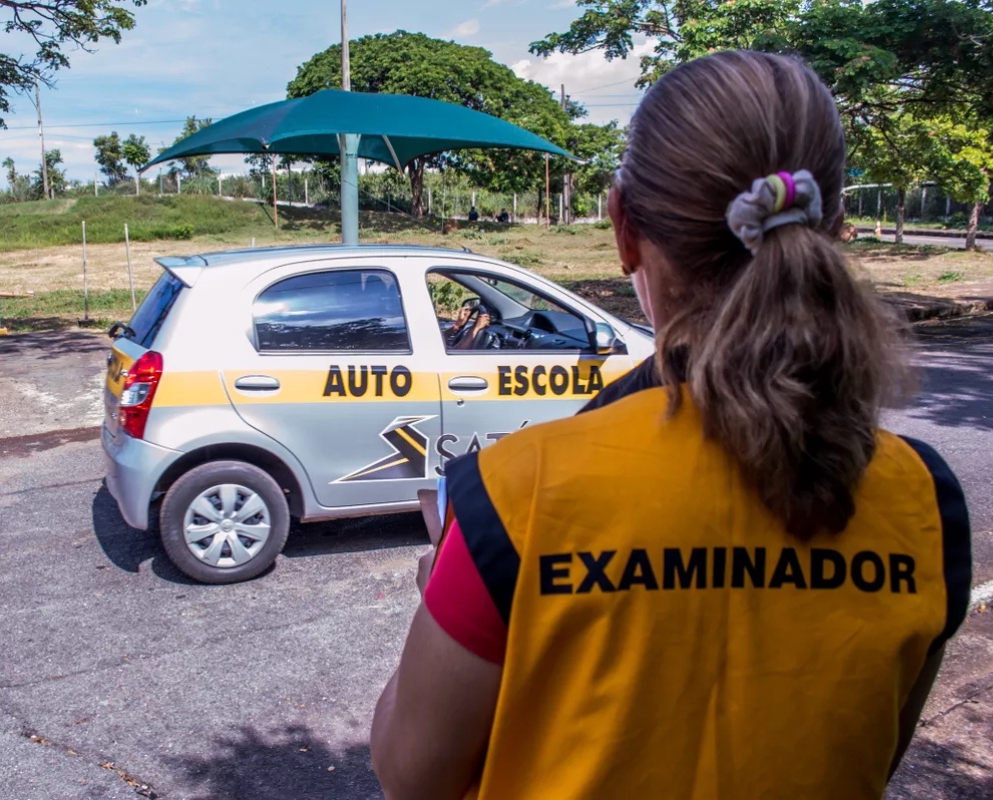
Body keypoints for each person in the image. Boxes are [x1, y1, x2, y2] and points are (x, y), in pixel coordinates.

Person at [370, 50, 971, 800]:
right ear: (836, 227)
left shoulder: (517, 496)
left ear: (623, 228)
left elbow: (410, 774)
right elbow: (867, 752)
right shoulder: (926, 504)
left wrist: (443, 595)